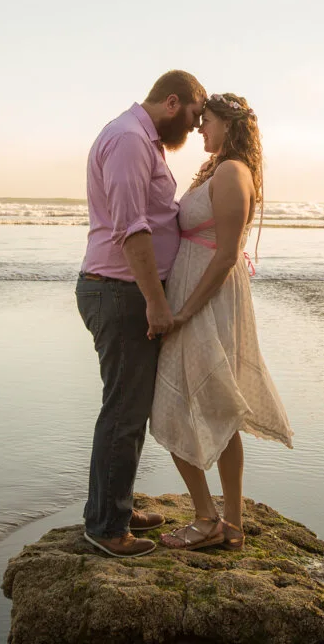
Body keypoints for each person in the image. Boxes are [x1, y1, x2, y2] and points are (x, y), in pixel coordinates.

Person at [150, 92, 294, 552]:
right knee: (215, 403)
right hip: (199, 291)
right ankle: (226, 521)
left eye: (205, 121)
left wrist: (187, 309)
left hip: (208, 298)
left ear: (228, 125)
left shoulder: (232, 172)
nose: (198, 129)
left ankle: (212, 517)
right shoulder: (218, 169)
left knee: (180, 403)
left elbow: (228, 253)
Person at [76, 69, 206, 558]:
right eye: (194, 116)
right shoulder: (130, 141)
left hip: (122, 290)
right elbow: (132, 229)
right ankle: (107, 527)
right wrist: (155, 301)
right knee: (124, 411)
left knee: (127, 406)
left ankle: (117, 508)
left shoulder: (141, 140)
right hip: (120, 291)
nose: (195, 129)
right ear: (173, 102)